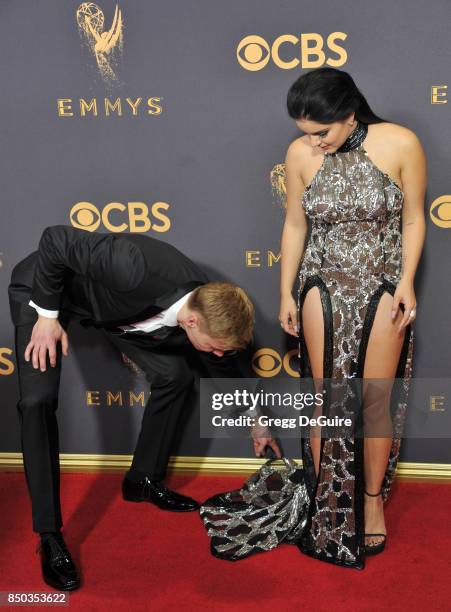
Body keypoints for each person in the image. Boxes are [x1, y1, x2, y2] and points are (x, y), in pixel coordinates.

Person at [8, 225, 279, 590]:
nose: (218, 354)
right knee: (37, 400)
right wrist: (47, 317)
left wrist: (256, 421)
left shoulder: (205, 307)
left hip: (113, 311)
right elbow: (54, 240)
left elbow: (224, 367)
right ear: (193, 321)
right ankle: (49, 535)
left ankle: (142, 481)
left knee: (177, 375)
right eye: (215, 346)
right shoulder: (132, 266)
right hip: (45, 291)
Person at [278, 67, 426, 568]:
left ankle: (370, 500)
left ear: (348, 111)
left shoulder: (401, 142)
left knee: (374, 401)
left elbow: (412, 217)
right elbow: (295, 225)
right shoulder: (300, 155)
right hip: (321, 288)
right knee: (327, 401)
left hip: (383, 285)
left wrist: (406, 281)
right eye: (306, 134)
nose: (315, 143)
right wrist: (285, 293)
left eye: (323, 132)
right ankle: (327, 504)